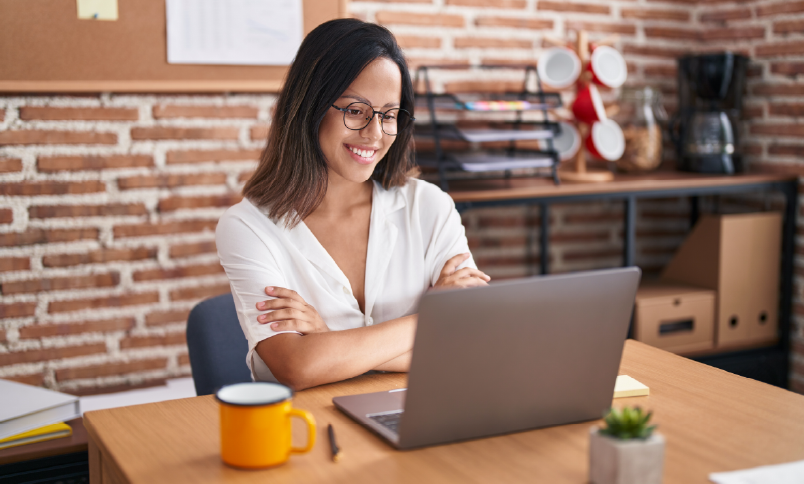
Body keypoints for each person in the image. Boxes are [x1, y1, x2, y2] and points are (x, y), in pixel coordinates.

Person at [216, 19, 489, 391]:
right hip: (306, 427)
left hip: (420, 411)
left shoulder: (429, 206)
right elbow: (297, 366)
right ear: (310, 106)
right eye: (356, 110)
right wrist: (430, 317)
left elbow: (472, 343)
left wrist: (330, 340)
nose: (375, 134)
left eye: (389, 115)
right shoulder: (247, 227)